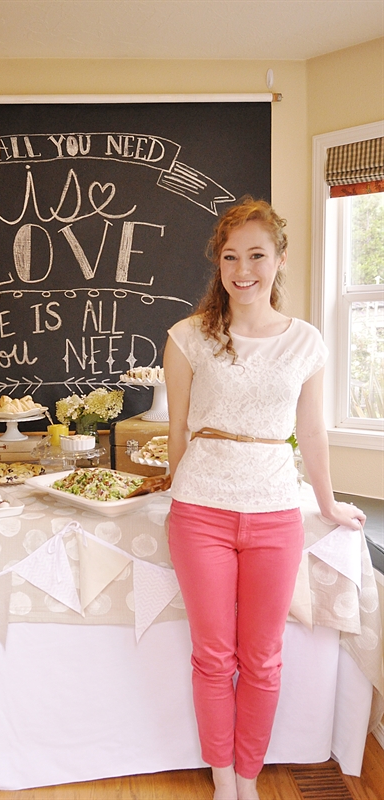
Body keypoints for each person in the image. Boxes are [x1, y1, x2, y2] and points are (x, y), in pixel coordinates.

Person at [163, 197, 366, 800]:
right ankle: (222, 779)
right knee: (213, 656)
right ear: (218, 263)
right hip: (200, 512)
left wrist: (327, 504)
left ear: (279, 260)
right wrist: (174, 490)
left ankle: (248, 778)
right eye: (230, 257)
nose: (242, 269)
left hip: (276, 513)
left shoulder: (305, 342)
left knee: (263, 658)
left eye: (256, 255)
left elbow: (313, 433)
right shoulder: (188, 337)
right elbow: (176, 431)